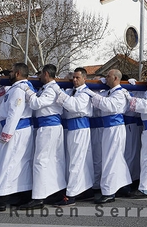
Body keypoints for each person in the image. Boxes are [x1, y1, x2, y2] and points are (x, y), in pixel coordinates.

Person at [0, 62, 35, 213]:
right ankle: (21, 194)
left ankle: (0, 200)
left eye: (10, 72)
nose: (8, 75)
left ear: (17, 73)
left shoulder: (18, 90)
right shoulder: (16, 89)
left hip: (16, 131)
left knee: (6, 163)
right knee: (16, 164)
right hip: (16, 130)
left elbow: (14, 112)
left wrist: (6, 133)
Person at [19, 64, 66, 209]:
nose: (38, 77)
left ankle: (39, 197)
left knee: (41, 160)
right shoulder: (47, 88)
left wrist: (27, 90)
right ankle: (53, 192)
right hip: (46, 127)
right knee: (50, 161)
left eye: (40, 75)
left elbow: (37, 103)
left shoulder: (52, 89)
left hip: (49, 127)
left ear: (46, 74)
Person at [84, 69, 132, 204]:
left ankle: (109, 191)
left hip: (115, 128)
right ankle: (123, 185)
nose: (106, 78)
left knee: (111, 158)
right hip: (109, 128)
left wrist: (90, 94)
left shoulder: (120, 93)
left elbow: (108, 105)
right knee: (115, 158)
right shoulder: (110, 92)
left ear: (116, 78)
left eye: (108, 76)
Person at [52, 67, 94, 206]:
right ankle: (85, 189)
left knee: (76, 161)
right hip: (71, 128)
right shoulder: (71, 91)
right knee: (77, 160)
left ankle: (71, 194)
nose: (75, 80)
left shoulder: (85, 93)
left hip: (80, 128)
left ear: (84, 78)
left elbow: (74, 106)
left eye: (78, 78)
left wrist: (60, 94)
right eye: (73, 78)